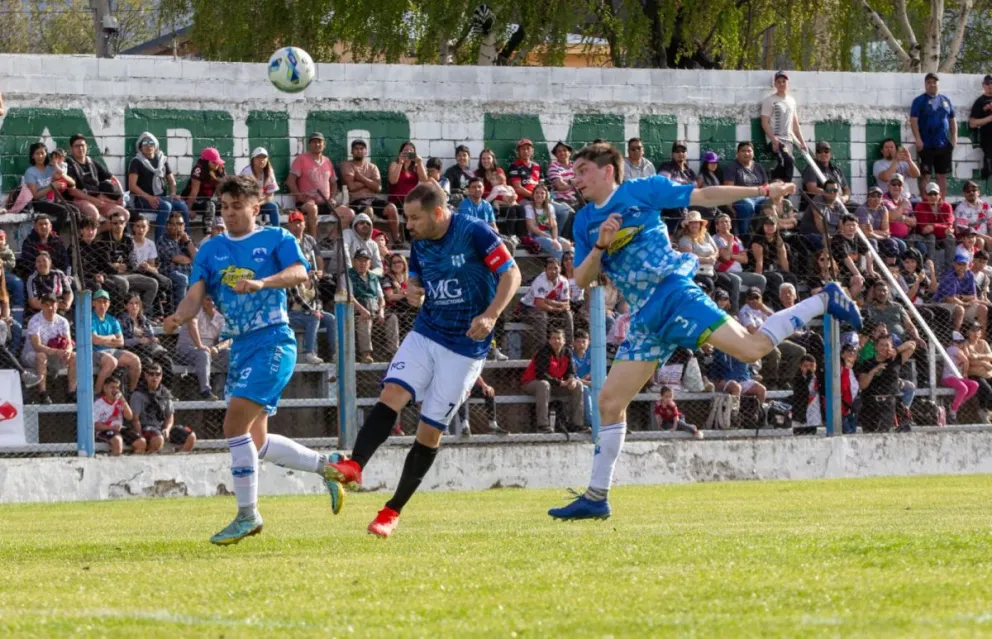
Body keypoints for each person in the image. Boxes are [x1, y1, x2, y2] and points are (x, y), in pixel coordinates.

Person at [543, 142, 860, 521]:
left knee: (750, 349)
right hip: (645, 316)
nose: (575, 179)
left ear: (607, 171)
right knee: (610, 402)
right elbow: (582, 278)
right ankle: (597, 497)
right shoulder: (583, 222)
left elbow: (705, 195)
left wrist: (761, 191)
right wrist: (600, 246)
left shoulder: (640, 190)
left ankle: (824, 300)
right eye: (574, 173)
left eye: (582, 171)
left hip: (673, 292)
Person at [325, 180, 521, 538]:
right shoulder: (420, 242)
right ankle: (355, 466)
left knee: (429, 432)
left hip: (464, 347)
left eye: (414, 218)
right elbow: (416, 280)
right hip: (426, 332)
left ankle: (391, 511)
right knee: (392, 396)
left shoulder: (474, 232)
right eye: (407, 218)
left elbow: (512, 273)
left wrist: (491, 314)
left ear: (437, 212)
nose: (408, 225)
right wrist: (412, 290)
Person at [163, 175, 346, 545]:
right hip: (242, 346)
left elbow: (300, 272)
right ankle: (329, 468)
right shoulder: (211, 250)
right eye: (224, 208)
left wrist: (262, 283)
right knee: (256, 442)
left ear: (255, 207)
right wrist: (179, 316)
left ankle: (248, 515)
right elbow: (194, 296)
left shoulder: (276, 238)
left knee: (234, 427)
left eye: (236, 207)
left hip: (274, 340)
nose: (229, 214)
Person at [520, 328, 585, 434]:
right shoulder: (543, 352)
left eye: (559, 338)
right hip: (532, 383)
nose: (556, 341)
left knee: (578, 385)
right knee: (544, 384)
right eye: (553, 338)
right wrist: (560, 383)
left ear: (564, 341)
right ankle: (543, 425)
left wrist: (571, 379)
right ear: (549, 341)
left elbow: (571, 371)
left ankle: (577, 424)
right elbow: (541, 375)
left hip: (554, 385)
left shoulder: (567, 352)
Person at [128, 132, 190, 241]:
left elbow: (172, 181)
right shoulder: (137, 162)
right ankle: (159, 242)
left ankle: (187, 240)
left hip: (161, 197)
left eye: (151, 142)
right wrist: (149, 197)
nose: (148, 145)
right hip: (143, 200)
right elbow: (132, 186)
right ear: (140, 147)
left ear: (155, 145)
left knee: (182, 205)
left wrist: (173, 194)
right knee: (166, 206)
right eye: (145, 143)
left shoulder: (162, 160)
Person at [341, 139, 401, 244]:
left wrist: (360, 178)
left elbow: (378, 188)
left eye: (361, 149)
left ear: (365, 151)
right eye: (356, 149)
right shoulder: (347, 165)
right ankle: (366, 242)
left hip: (373, 199)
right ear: (352, 151)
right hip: (356, 201)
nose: (359, 151)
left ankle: (397, 241)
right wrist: (370, 182)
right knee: (369, 210)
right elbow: (352, 187)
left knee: (391, 208)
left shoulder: (372, 167)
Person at [21, 293, 75, 405]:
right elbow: (37, 346)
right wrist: (56, 351)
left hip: (55, 355)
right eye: (46, 304)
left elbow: (69, 343)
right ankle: (43, 393)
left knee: (74, 356)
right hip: (31, 355)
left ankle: (71, 393)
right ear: (42, 306)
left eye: (53, 304)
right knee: (41, 355)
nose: (50, 307)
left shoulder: (63, 321)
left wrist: (68, 351)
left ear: (58, 304)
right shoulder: (35, 321)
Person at [130, 363, 197, 454]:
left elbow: (170, 416)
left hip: (161, 429)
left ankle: (177, 460)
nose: (154, 377)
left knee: (190, 436)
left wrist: (167, 429)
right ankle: (148, 458)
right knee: (158, 438)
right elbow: (135, 420)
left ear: (161, 376)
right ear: (145, 375)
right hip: (145, 428)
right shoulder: (138, 394)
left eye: (158, 374)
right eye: (151, 374)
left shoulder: (165, 393)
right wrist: (140, 437)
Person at [855, 334, 916, 432]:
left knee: (883, 433)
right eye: (881, 345)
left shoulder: (895, 360)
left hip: (888, 403)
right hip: (870, 403)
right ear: (876, 347)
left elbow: (912, 345)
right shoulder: (867, 363)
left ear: (891, 346)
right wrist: (873, 371)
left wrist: (897, 350)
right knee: (869, 435)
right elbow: (862, 385)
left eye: (887, 345)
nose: (884, 348)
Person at [175, 295, 229, 401]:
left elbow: (228, 339)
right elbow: (192, 325)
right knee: (203, 354)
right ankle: (205, 391)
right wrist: (200, 345)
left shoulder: (220, 318)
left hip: (208, 352)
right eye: (208, 299)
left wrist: (217, 348)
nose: (212, 302)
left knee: (228, 354)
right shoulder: (195, 310)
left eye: (214, 299)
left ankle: (236, 390)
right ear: (202, 301)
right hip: (187, 350)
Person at [911, 72, 957, 197]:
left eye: (934, 82)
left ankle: (942, 204)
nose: (932, 85)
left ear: (938, 84)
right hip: (926, 145)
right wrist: (918, 139)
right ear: (925, 85)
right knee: (926, 175)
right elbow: (913, 121)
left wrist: (954, 138)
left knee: (941, 175)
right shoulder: (919, 101)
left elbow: (952, 120)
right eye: (929, 83)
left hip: (943, 144)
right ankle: (925, 205)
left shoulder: (946, 100)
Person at [760, 70, 808, 182]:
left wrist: (802, 142)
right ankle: (785, 192)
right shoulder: (769, 100)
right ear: (775, 84)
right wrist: (773, 139)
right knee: (789, 160)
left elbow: (795, 124)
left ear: (787, 83)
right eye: (779, 81)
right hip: (775, 140)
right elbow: (764, 122)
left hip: (788, 141)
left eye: (784, 81)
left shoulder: (791, 101)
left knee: (784, 166)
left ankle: (775, 185)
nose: (781, 84)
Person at [92, 289, 142, 393]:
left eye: (105, 301)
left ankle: (131, 392)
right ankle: (96, 394)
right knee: (112, 362)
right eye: (99, 301)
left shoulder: (112, 320)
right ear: (93, 303)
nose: (102, 304)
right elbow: (95, 340)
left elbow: (121, 342)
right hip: (93, 351)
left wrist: (103, 340)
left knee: (135, 361)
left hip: (111, 351)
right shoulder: (90, 318)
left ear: (109, 304)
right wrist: (112, 336)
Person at [23, 143, 75, 232]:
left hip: (53, 201)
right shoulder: (30, 172)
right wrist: (52, 187)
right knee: (63, 212)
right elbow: (35, 196)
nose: (40, 156)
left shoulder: (51, 168)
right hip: (38, 203)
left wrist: (62, 175)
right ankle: (52, 238)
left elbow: (72, 182)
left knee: (75, 211)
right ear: (32, 156)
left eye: (42, 153)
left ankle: (75, 240)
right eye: (37, 154)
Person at [94, 376, 141, 456]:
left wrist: (123, 401)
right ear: (105, 388)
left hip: (120, 429)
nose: (115, 390)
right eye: (112, 387)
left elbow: (129, 417)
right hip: (104, 430)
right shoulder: (98, 404)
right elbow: (95, 425)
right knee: (118, 441)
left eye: (117, 388)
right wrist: (111, 428)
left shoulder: (120, 401)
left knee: (141, 442)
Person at [182, 147, 225, 228]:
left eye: (217, 162)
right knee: (210, 205)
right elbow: (194, 191)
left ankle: (221, 227)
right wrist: (188, 209)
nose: (216, 165)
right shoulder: (198, 170)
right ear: (206, 161)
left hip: (206, 201)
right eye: (214, 162)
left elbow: (220, 191)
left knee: (224, 205)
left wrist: (223, 204)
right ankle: (207, 230)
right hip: (194, 201)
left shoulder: (219, 168)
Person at [942, 331, 978, 424]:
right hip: (948, 378)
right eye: (957, 342)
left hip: (956, 378)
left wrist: (964, 349)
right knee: (964, 388)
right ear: (952, 342)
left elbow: (966, 358)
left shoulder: (959, 350)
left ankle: (954, 406)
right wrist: (965, 373)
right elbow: (966, 360)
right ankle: (953, 413)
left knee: (975, 385)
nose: (959, 344)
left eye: (960, 342)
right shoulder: (951, 348)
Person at [239, 147, 280, 226]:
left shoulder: (269, 172)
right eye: (258, 157)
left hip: (260, 202)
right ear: (253, 159)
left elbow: (270, 195)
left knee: (273, 207)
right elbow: (241, 194)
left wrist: (259, 203)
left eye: (264, 157)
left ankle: (277, 232)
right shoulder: (246, 172)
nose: (261, 160)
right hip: (247, 202)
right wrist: (252, 204)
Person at [969, 75, 992, 179]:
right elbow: (972, 123)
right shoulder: (980, 102)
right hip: (988, 142)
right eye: (987, 83)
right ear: (983, 85)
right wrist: (988, 119)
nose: (990, 86)